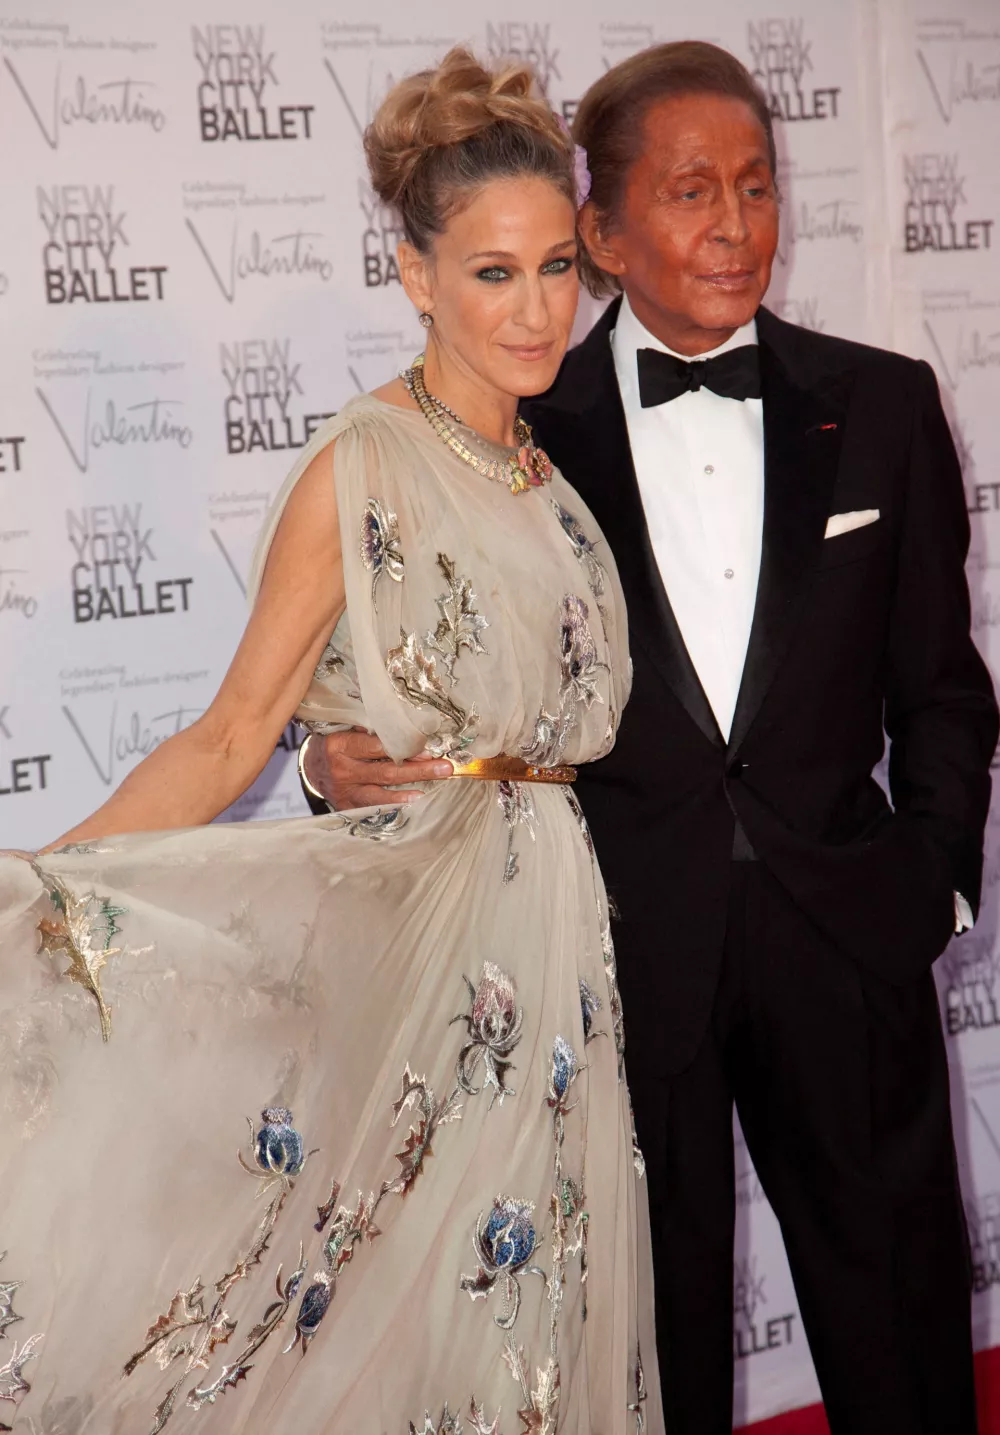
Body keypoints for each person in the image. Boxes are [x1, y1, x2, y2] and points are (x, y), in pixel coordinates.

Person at [302, 41, 999, 1435]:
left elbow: (944, 686)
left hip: (847, 944)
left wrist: (934, 884)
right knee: (644, 1356)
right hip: (613, 960)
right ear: (602, 234)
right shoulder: (512, 423)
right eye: (691, 192)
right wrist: (331, 766)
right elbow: (416, 669)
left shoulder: (884, 405)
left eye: (757, 185)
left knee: (905, 1348)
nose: (735, 225)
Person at [0, 49, 663, 1434]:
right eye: (493, 272)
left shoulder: (551, 481)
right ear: (416, 275)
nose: (538, 307)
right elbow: (235, 728)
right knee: (417, 1336)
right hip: (435, 966)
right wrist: (36, 888)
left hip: (558, 960)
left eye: (556, 268)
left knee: (544, 1328)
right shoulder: (364, 464)